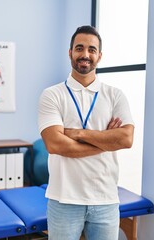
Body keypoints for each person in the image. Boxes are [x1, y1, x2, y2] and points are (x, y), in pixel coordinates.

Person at [38, 25, 135, 240]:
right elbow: (55, 145)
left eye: (92, 50)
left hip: (106, 200)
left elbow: (126, 139)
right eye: (79, 48)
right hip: (64, 199)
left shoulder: (115, 95)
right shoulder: (52, 95)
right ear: (70, 52)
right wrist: (107, 141)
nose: (85, 54)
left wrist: (78, 134)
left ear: (99, 56)